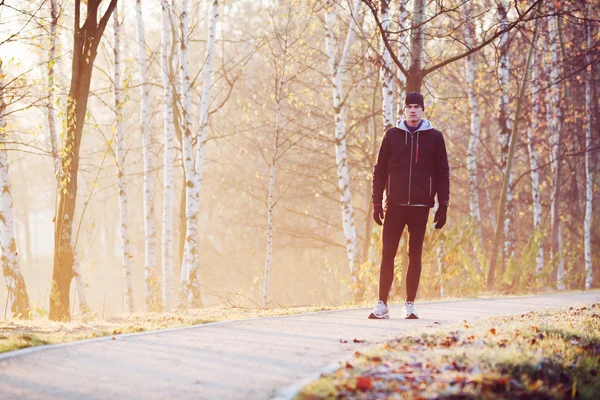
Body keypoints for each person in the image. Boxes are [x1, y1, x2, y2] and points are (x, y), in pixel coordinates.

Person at [368, 92, 450, 320]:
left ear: (423, 110)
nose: (413, 110)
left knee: (414, 254)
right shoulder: (392, 135)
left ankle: (409, 304)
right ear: (404, 110)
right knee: (388, 254)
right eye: (409, 107)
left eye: (417, 106)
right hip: (394, 205)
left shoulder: (434, 137)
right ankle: (382, 304)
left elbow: (443, 172)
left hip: (421, 206)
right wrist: (376, 201)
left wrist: (443, 204)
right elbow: (379, 171)